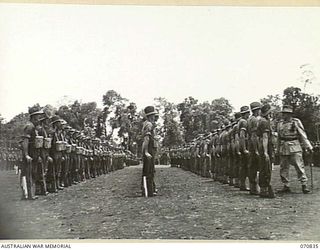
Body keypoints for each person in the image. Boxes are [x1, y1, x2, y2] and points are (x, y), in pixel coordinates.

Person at [277, 105, 313, 194]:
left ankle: (304, 184)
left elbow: (302, 134)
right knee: (283, 167)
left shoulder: (296, 122)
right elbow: (278, 137)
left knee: (299, 165)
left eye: (286, 113)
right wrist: (278, 149)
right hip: (283, 146)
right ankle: (286, 185)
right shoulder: (280, 123)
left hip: (294, 146)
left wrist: (308, 146)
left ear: (290, 114)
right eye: (284, 113)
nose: (284, 115)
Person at [20, 106, 45, 200]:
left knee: (33, 173)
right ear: (34, 116)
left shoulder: (34, 127)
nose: (39, 118)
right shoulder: (29, 126)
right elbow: (25, 141)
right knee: (28, 174)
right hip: (29, 154)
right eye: (38, 116)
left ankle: (31, 193)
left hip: (34, 154)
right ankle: (28, 194)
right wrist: (26, 155)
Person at [257, 104, 275, 198]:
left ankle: (264, 190)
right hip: (266, 146)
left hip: (264, 146)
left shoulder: (263, 121)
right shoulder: (264, 122)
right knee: (266, 168)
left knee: (264, 168)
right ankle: (265, 189)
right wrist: (265, 152)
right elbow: (265, 137)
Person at [141, 106, 157, 197]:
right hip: (149, 148)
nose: (154, 117)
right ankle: (149, 190)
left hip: (150, 147)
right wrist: (146, 151)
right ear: (150, 116)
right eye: (153, 115)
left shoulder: (147, 123)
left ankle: (147, 189)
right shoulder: (149, 125)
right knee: (149, 170)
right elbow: (146, 139)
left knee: (148, 169)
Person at [247, 102, 261, 195]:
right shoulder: (255, 120)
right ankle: (256, 188)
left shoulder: (249, 119)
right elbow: (254, 136)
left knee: (252, 167)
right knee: (257, 167)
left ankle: (253, 188)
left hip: (250, 145)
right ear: (257, 110)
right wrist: (256, 149)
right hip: (254, 145)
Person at [238, 106, 250, 191]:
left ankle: (242, 184)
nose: (249, 114)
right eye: (248, 113)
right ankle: (243, 184)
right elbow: (242, 136)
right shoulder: (244, 122)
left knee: (243, 166)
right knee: (246, 166)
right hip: (244, 145)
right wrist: (244, 148)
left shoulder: (240, 121)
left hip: (242, 145)